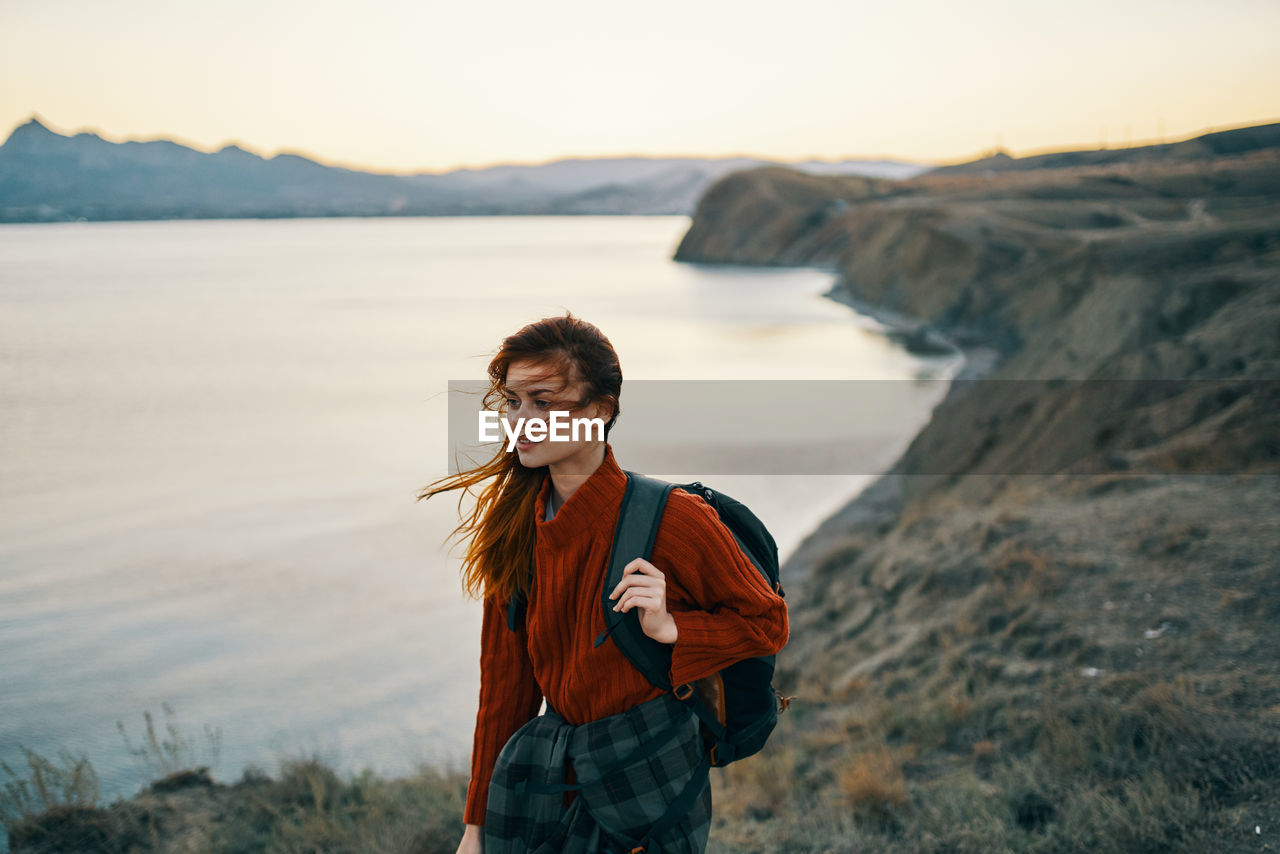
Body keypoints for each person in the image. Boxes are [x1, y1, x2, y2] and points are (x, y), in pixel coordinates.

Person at [419, 311, 789, 854]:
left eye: (543, 402)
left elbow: (767, 623)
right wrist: (474, 829)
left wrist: (673, 628)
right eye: (514, 402)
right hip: (550, 782)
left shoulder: (675, 519)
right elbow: (504, 691)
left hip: (650, 785)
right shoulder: (517, 527)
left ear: (600, 410)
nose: (521, 421)